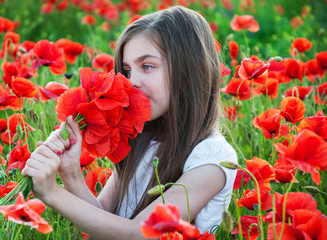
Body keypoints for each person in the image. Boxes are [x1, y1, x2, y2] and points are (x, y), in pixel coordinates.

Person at [22, 6, 237, 239]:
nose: (132, 82)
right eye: (127, 71)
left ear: (191, 69)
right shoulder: (139, 139)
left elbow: (140, 234)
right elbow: (103, 222)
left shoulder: (213, 158)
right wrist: (70, 173)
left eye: (147, 66)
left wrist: (52, 193)